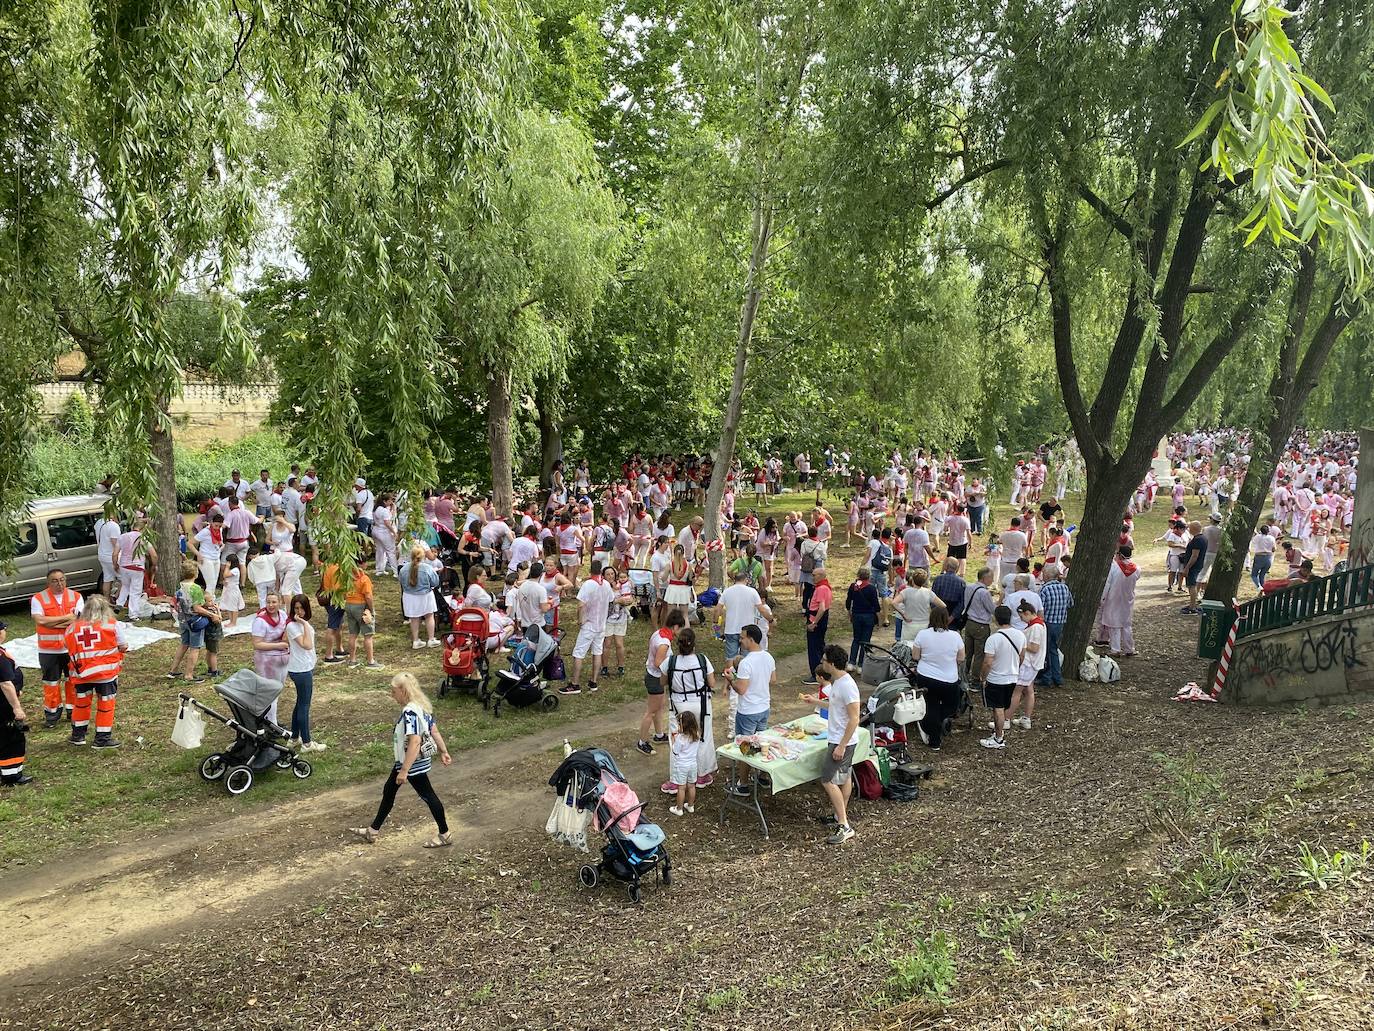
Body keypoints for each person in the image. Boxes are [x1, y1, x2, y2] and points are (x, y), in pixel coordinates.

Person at [351, 673, 452, 848]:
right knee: (389, 790)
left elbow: (415, 741)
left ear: (404, 691)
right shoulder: (422, 707)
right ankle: (373, 830)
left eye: (394, 691)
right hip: (410, 762)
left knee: (428, 796)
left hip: (411, 763)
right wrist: (443, 750)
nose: (392, 695)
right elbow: (434, 731)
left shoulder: (410, 712)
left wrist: (405, 770)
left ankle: (445, 834)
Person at [800, 645, 861, 845]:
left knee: (827, 780)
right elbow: (836, 706)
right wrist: (815, 702)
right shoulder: (837, 682)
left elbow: (854, 718)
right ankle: (838, 815)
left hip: (841, 741)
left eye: (825, 660)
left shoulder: (847, 686)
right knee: (844, 778)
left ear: (832, 664)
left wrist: (841, 746)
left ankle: (844, 824)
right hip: (837, 738)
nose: (822, 662)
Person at [62, 595, 127, 748]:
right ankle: (102, 739)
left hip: (81, 674)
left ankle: (78, 735)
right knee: (106, 705)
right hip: (106, 675)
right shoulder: (112, 625)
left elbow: (66, 646)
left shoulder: (72, 627)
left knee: (81, 704)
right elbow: (123, 645)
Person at [662, 625, 718, 794]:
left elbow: (662, 682)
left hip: (678, 705)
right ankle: (701, 775)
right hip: (701, 704)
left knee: (676, 740)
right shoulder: (702, 660)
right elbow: (713, 683)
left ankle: (675, 781)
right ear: (693, 644)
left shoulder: (670, 661)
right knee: (703, 738)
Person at [31, 568, 83, 727]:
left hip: (71, 649)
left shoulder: (76, 596)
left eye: (62, 580)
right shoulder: (38, 598)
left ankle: (73, 711)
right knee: (51, 683)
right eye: (55, 581)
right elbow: (40, 621)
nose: (59, 584)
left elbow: (78, 620)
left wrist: (52, 621)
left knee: (72, 680)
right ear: (48, 582)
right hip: (48, 650)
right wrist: (67, 618)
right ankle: (52, 716)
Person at [910, 604, 965, 751]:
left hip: (927, 676)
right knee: (951, 705)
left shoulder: (923, 634)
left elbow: (915, 656)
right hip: (949, 678)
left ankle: (934, 736)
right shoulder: (955, 636)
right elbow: (961, 658)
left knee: (931, 705)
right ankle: (939, 723)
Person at [564, 560, 623, 696]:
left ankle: (575, 683)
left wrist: (580, 620)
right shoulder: (606, 585)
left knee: (579, 653)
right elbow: (610, 599)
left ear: (590, 571)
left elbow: (581, 605)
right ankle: (593, 681)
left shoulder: (588, 584)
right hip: (601, 625)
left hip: (589, 624)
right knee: (597, 652)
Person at [638, 609, 686, 755]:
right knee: (651, 712)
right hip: (656, 678)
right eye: (681, 628)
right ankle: (642, 742)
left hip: (653, 675)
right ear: (676, 626)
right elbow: (659, 662)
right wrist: (673, 668)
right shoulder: (664, 643)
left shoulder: (658, 633)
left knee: (658, 708)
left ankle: (659, 735)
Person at [980, 605, 1023, 750]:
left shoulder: (993, 639)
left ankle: (998, 738)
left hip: (997, 678)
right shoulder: (1020, 635)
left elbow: (988, 662)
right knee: (1003, 707)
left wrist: (983, 677)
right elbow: (1022, 656)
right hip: (1012, 676)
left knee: (997, 708)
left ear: (996, 619)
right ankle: (998, 732)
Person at [286, 594, 323, 752]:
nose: (299, 611)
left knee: (300, 703)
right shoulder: (293, 626)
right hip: (300, 670)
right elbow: (307, 645)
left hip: (304, 667)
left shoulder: (301, 624)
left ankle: (294, 737)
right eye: (296, 608)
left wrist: (304, 623)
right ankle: (307, 742)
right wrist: (304, 623)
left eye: (301, 608)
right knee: (304, 706)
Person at [726, 624, 776, 738]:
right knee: (760, 742)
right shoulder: (769, 657)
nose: (740, 640)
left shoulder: (746, 662)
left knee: (745, 747)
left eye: (742, 638)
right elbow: (773, 680)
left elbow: (741, 690)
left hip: (748, 710)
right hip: (764, 708)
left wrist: (731, 680)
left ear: (751, 639)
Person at [168, 561, 213, 683]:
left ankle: (173, 670)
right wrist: (211, 614)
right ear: (195, 573)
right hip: (195, 622)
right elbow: (197, 608)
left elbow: (174, 603)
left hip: (183, 620)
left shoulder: (180, 586)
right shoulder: (195, 588)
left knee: (183, 644)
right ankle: (189, 674)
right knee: (195, 647)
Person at [717, 569, 773, 664]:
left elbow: (717, 610)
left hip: (731, 629)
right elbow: (762, 609)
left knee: (730, 657)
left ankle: (730, 675)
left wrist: (716, 626)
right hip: (747, 630)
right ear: (746, 580)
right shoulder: (752, 592)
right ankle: (746, 675)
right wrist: (771, 620)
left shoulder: (727, 592)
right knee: (747, 656)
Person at [0, 621, 32, 785]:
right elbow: (5, 683)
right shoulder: (0, 657)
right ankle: (11, 775)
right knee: (11, 738)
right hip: (3, 706)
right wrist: (17, 708)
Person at [1006, 599, 1045, 730]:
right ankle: (1026, 719)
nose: (1021, 619)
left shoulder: (1036, 627)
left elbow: (1034, 647)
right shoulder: (1037, 625)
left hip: (1029, 663)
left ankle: (1006, 719)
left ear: (1028, 613)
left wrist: (1020, 643)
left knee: (1016, 691)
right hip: (1032, 663)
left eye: (1022, 616)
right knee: (1029, 691)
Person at [1096, 546, 1141, 657]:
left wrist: (1101, 598)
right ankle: (1129, 648)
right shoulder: (1137, 568)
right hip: (1127, 598)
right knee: (1126, 624)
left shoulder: (1114, 567)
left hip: (1113, 598)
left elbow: (1107, 584)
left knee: (1113, 624)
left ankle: (1115, 649)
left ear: (1120, 555)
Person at [399, 544, 442, 650]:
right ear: (423, 556)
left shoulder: (403, 569)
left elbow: (401, 581)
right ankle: (431, 639)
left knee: (414, 618)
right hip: (425, 595)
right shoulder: (427, 568)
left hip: (409, 596)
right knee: (429, 616)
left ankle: (415, 640)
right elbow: (435, 582)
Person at [1035, 575, 1072, 688]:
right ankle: (1057, 677)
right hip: (1060, 623)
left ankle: (1047, 677)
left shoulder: (1045, 589)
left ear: (1047, 576)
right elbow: (1070, 604)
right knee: (1053, 650)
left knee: (1045, 651)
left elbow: (1040, 608)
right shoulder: (1065, 588)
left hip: (1047, 623)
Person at [844, 567, 881, 668]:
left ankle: (851, 662)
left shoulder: (853, 586)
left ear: (858, 575)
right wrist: (879, 618)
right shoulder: (872, 588)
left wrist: (849, 612)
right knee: (865, 641)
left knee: (856, 639)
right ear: (869, 576)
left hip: (856, 615)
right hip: (869, 616)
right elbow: (876, 605)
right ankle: (861, 664)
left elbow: (848, 601)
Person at [600, 568, 633, 680]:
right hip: (607, 619)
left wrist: (629, 600)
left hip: (621, 618)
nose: (610, 576)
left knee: (619, 644)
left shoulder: (622, 585)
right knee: (607, 644)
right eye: (608, 574)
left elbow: (630, 596)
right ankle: (604, 667)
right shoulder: (602, 587)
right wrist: (617, 601)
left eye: (612, 574)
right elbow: (603, 601)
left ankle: (621, 666)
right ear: (603, 576)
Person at [668, 710, 702, 817]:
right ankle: (690, 806)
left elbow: (675, 751)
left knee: (681, 788)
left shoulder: (680, 739)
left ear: (683, 725)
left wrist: (673, 740)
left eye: (679, 723)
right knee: (692, 786)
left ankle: (679, 808)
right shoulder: (697, 735)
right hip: (693, 764)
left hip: (682, 765)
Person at [804, 571, 832, 686]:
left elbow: (822, 608)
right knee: (820, 645)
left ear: (821, 576)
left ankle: (816, 674)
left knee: (814, 648)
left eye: (814, 575)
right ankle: (823, 671)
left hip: (816, 619)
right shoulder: (826, 587)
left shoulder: (821, 589)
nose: (812, 577)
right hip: (821, 619)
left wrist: (814, 622)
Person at [893, 568, 934, 645]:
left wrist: (902, 614)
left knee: (901, 637)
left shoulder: (903, 589)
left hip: (903, 616)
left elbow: (894, 601)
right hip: (918, 620)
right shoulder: (926, 592)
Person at [1179, 520, 1208, 614]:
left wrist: (1187, 567)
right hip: (1197, 564)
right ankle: (1193, 604)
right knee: (1192, 585)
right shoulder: (1203, 538)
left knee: (1192, 585)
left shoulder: (1197, 540)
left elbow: (1194, 555)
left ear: (1194, 528)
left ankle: (1192, 607)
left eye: (1189, 528)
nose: (1188, 529)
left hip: (1193, 566)